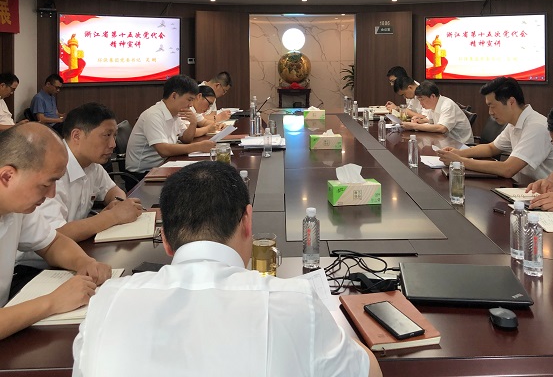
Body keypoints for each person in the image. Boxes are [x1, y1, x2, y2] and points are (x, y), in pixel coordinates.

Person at [73, 161, 382, 377]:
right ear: (247, 222)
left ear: (165, 239)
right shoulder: (296, 302)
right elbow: (367, 371)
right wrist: (330, 330)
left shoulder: (106, 303)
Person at [0, 123, 111, 340]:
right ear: (7, 177)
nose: (51, 194)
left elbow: (51, 243)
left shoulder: (17, 207)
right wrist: (52, 302)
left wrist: (84, 263)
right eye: (46, 185)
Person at [23, 103, 143, 247]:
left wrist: (119, 203)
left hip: (75, 248)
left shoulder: (92, 165)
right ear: (77, 135)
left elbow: (112, 190)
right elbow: (54, 235)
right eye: (106, 135)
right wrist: (113, 216)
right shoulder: (50, 170)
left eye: (114, 135)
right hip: (37, 259)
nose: (113, 144)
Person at [438, 77, 553, 179]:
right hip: (524, 186)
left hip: (543, 192)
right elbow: (491, 148)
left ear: (511, 102)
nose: (490, 112)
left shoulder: (536, 127)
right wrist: (459, 153)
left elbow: (508, 169)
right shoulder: (514, 123)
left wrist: (460, 161)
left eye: (492, 106)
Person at [125, 74, 216, 184]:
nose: (191, 105)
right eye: (189, 99)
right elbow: (164, 150)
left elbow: (186, 139)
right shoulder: (153, 115)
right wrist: (198, 146)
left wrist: (193, 123)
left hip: (163, 165)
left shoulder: (175, 113)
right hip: (142, 175)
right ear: (174, 96)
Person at [402, 80, 474, 144]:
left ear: (432, 96)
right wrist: (420, 120)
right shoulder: (433, 104)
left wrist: (413, 126)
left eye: (422, 100)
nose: (421, 103)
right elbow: (430, 120)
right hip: (445, 141)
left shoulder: (447, 105)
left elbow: (442, 128)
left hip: (461, 145)